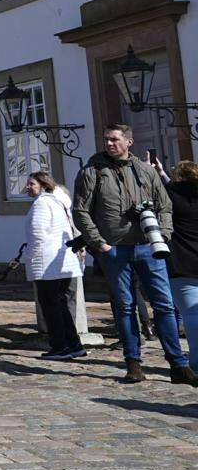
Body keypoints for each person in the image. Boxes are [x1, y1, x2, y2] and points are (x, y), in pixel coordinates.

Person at [73, 125, 193, 385]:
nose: (109, 144)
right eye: (106, 139)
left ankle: (178, 364)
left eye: (114, 139)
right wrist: (99, 243)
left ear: (129, 141)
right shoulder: (92, 171)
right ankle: (133, 363)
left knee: (163, 306)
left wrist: (163, 235)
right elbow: (80, 211)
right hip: (114, 249)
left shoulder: (145, 170)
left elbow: (165, 206)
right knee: (125, 307)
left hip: (148, 247)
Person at [23, 171, 84, 359]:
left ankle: (60, 346)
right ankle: (73, 344)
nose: (28, 187)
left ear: (43, 185)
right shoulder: (59, 202)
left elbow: (38, 235)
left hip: (47, 263)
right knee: (61, 305)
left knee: (51, 307)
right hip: (62, 261)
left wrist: (28, 256)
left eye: (31, 184)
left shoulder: (42, 203)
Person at [161, 159, 198, 370]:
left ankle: (196, 362)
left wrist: (159, 174)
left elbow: (164, 192)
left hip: (183, 262)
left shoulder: (172, 196)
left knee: (192, 316)